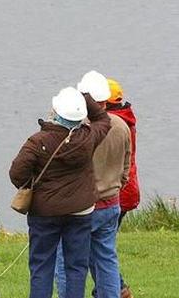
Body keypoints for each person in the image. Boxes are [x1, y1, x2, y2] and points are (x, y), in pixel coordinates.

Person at [9, 85, 111, 298]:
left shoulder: (37, 141)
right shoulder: (88, 137)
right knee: (76, 267)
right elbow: (103, 119)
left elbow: (16, 173)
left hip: (45, 212)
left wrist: (34, 184)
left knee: (41, 266)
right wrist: (84, 95)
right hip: (81, 211)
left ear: (55, 112)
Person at [54, 71, 132, 298]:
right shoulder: (121, 126)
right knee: (106, 259)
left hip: (84, 205)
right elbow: (126, 167)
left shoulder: (80, 129)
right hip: (111, 203)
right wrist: (115, 187)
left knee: (65, 257)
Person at [107, 79, 139, 298]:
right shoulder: (126, 117)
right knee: (104, 245)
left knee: (100, 247)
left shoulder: (113, 124)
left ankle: (117, 288)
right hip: (128, 189)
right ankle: (108, 289)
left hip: (116, 192)